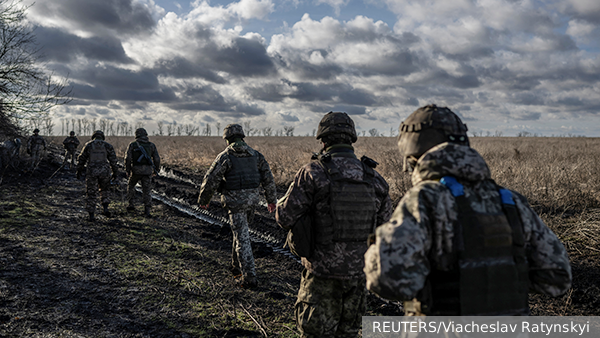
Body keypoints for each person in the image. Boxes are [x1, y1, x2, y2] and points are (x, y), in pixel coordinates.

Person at [364, 104, 572, 316]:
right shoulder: (511, 201)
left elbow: (387, 280)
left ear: (412, 155)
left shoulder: (424, 200)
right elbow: (556, 278)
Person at [276, 112, 392, 338]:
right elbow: (386, 233)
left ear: (323, 140)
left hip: (321, 276)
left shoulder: (313, 172)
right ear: (351, 139)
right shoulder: (374, 179)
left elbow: (284, 218)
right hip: (358, 277)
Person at [198, 124, 277, 288]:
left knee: (242, 238)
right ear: (242, 137)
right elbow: (268, 178)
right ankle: (235, 267)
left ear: (227, 140)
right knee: (240, 232)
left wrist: (204, 200)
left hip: (234, 203)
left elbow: (211, 179)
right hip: (252, 202)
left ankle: (249, 277)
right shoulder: (256, 155)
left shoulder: (225, 156)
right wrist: (271, 200)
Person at [76, 130, 119, 222]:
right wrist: (115, 173)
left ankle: (91, 214)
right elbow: (113, 161)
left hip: (92, 172)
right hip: (105, 172)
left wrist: (79, 170)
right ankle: (105, 208)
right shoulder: (107, 146)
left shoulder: (89, 145)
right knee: (105, 190)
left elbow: (81, 158)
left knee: (91, 192)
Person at [124, 128, 160, 217]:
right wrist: (156, 170)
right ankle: (147, 210)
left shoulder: (132, 145)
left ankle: (131, 204)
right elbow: (157, 159)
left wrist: (127, 170)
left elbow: (127, 158)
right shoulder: (151, 145)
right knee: (146, 190)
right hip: (147, 171)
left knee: (131, 186)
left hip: (135, 171)